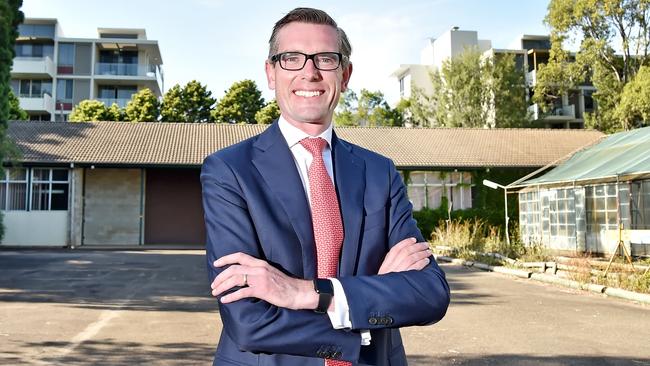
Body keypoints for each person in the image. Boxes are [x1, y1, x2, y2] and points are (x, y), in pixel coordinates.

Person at [201, 7, 450, 366]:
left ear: (345, 74)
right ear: (271, 73)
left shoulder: (379, 172)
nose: (310, 72)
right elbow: (249, 321)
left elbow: (429, 294)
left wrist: (306, 293)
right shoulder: (229, 170)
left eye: (326, 59)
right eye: (291, 58)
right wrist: (369, 300)